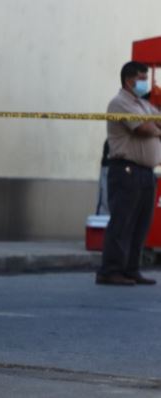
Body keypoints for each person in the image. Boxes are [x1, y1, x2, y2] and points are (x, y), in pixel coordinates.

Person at [97, 61, 161, 286]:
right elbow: (143, 129)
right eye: (142, 78)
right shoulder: (119, 103)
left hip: (145, 172)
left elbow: (156, 119)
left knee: (141, 224)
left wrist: (154, 125)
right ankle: (111, 270)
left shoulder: (142, 105)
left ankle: (131, 269)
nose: (145, 83)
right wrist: (155, 128)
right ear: (129, 80)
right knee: (122, 222)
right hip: (126, 170)